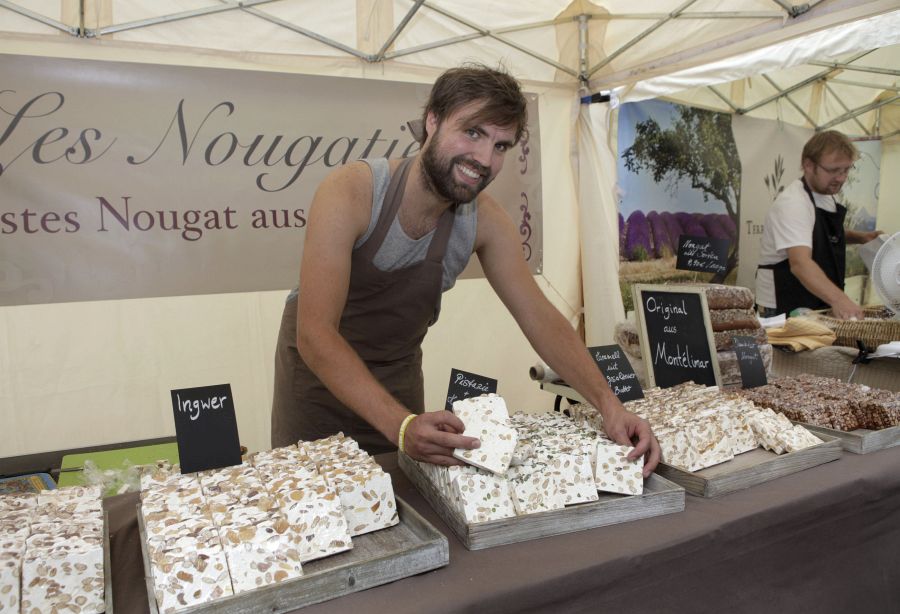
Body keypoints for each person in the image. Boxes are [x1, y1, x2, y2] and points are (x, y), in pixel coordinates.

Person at [271, 63, 659, 475]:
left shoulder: (486, 222)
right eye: (473, 132)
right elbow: (315, 334)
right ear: (432, 120)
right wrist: (400, 426)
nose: (484, 159)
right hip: (316, 390)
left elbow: (540, 318)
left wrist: (610, 406)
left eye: (500, 145)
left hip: (397, 384)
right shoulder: (351, 192)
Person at [756, 130, 882, 320]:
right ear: (808, 165)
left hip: (815, 300)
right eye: (833, 170)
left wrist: (860, 237)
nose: (841, 178)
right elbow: (800, 263)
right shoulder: (794, 203)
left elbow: (819, 234)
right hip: (784, 304)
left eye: (846, 170)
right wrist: (840, 300)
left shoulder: (826, 195)